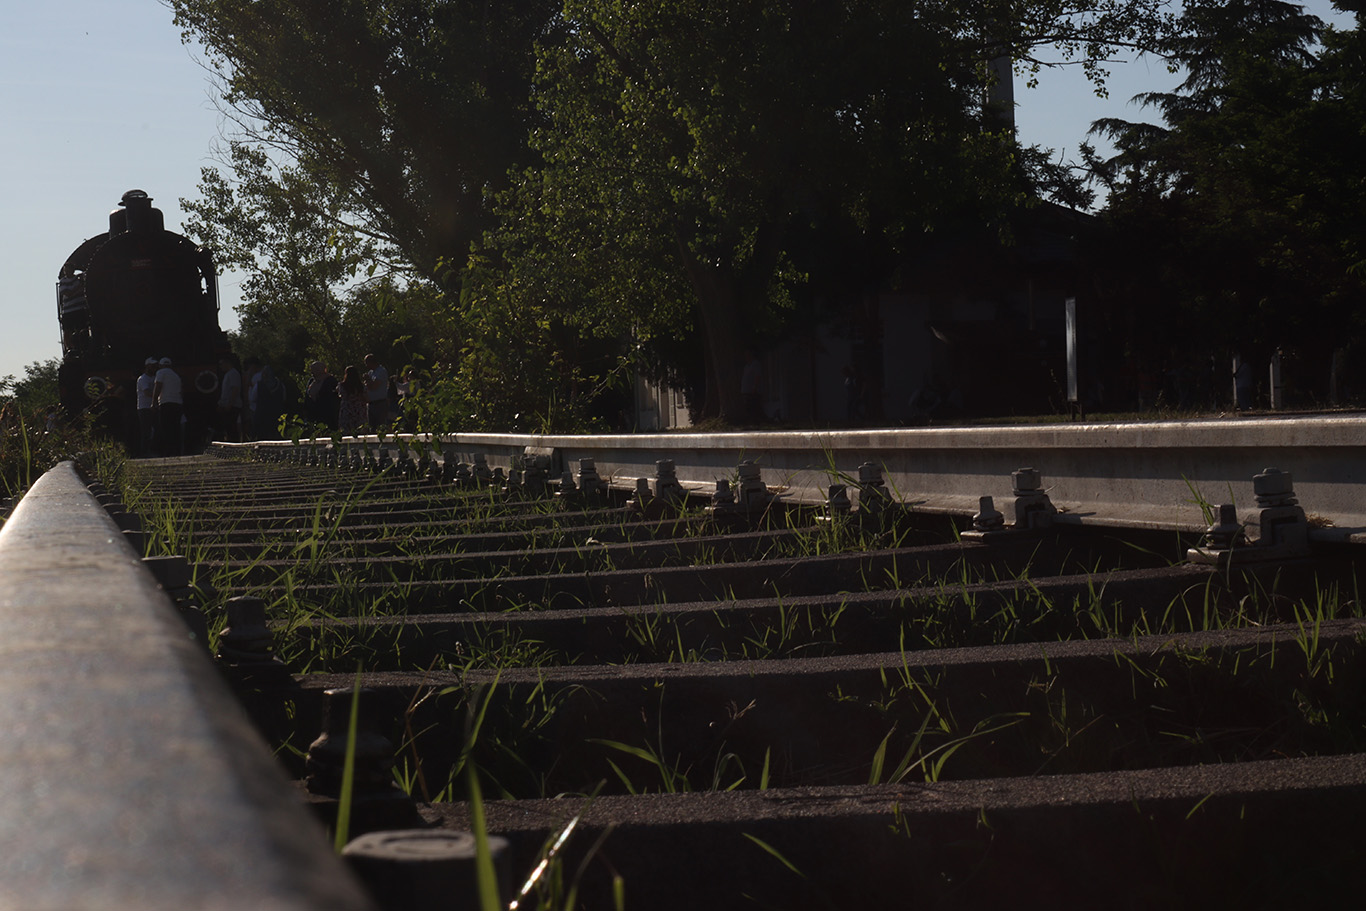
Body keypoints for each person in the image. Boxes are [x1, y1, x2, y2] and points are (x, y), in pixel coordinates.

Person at [153, 356, 183, 455]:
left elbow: (158, 386)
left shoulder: (160, 373)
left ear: (160, 365)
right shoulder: (176, 376)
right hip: (177, 403)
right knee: (175, 427)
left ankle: (168, 450)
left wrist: (154, 402)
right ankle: (177, 450)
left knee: (165, 427)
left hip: (166, 403)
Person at [305, 360, 339, 429]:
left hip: (326, 413)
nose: (312, 372)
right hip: (313, 413)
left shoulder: (330, 380)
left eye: (314, 370)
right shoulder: (311, 381)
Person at [217, 355, 243, 442]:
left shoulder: (233, 373)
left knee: (232, 426)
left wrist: (230, 404)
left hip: (233, 405)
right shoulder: (228, 374)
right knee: (228, 427)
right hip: (226, 404)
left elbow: (235, 389)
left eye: (221, 364)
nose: (220, 366)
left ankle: (235, 444)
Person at [135, 357, 158, 455]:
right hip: (144, 408)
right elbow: (146, 392)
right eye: (152, 366)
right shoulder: (142, 379)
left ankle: (153, 450)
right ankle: (144, 452)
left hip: (153, 407)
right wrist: (158, 395)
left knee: (155, 430)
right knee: (146, 432)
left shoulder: (155, 378)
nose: (154, 368)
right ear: (147, 366)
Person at [337, 365, 368, 435]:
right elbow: (366, 397)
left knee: (347, 431)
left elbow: (341, 395)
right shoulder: (361, 386)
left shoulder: (342, 385)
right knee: (360, 430)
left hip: (347, 409)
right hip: (359, 409)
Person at [364, 353, 389, 430]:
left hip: (380, 403)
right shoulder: (371, 373)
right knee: (372, 427)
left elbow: (374, 386)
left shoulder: (381, 371)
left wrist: (368, 380)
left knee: (381, 426)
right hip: (371, 403)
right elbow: (368, 386)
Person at [740, 348, 764, 424]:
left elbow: (757, 376)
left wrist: (755, 387)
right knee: (748, 407)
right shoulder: (746, 366)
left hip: (753, 391)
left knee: (754, 407)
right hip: (746, 390)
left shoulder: (756, 364)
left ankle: (756, 421)